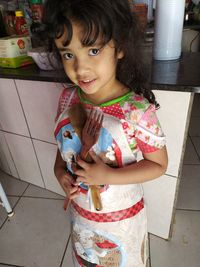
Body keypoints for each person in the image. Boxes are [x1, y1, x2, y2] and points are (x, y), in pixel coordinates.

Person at [41, 0, 168, 266]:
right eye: (68, 54)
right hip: (81, 215)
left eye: (94, 50)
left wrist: (108, 175)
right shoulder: (68, 100)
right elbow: (64, 150)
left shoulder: (136, 110)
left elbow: (158, 165)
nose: (80, 68)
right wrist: (60, 173)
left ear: (119, 47)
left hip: (121, 221)